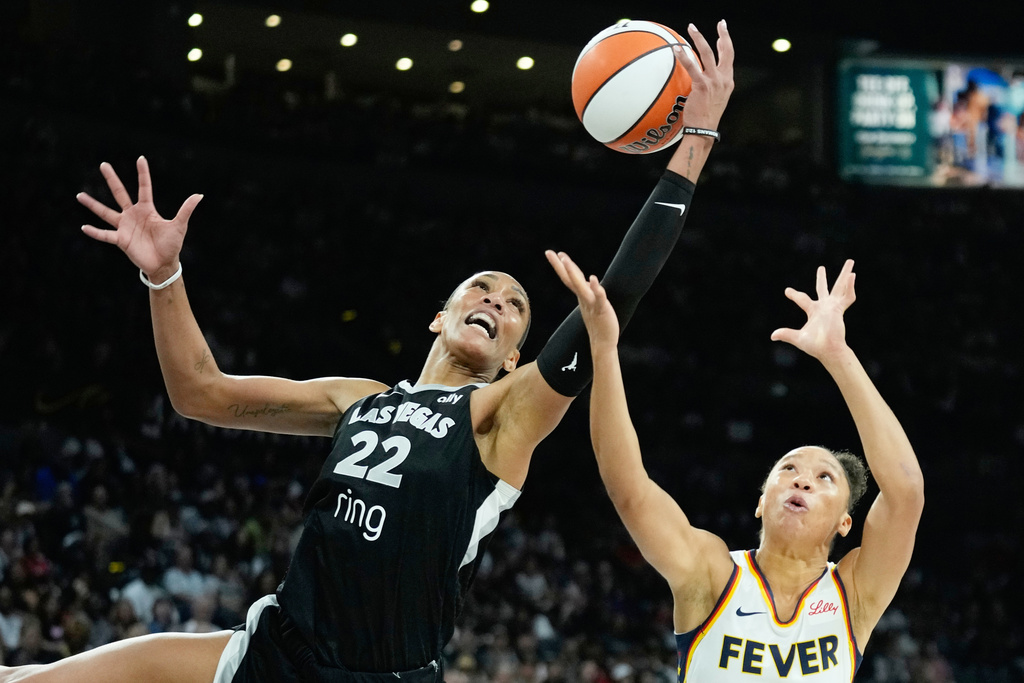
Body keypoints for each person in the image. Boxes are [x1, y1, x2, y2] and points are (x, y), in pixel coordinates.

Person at [0, 20, 735, 683]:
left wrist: (695, 140)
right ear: (437, 318)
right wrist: (163, 273)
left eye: (516, 308)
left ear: (516, 356)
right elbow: (201, 393)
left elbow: (619, 293)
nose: (496, 303)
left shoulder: (501, 414)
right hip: (278, 651)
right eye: (481, 289)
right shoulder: (357, 397)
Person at [547, 253, 924, 681]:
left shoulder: (855, 592)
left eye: (824, 478)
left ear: (844, 523)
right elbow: (629, 488)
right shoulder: (711, 573)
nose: (802, 478)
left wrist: (838, 355)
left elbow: (906, 492)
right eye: (788, 469)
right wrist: (603, 347)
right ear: (761, 503)